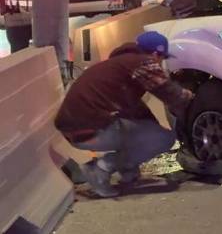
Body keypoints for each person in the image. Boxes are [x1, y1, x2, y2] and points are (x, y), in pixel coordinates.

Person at [54, 31, 193, 198]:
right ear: (156, 54)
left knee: (149, 133)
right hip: (91, 129)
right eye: (162, 58)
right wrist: (189, 96)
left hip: (76, 130)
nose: (161, 63)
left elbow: (135, 109)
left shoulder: (120, 64)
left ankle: (128, 172)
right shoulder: (142, 62)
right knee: (164, 139)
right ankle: (99, 169)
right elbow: (168, 92)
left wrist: (153, 129)